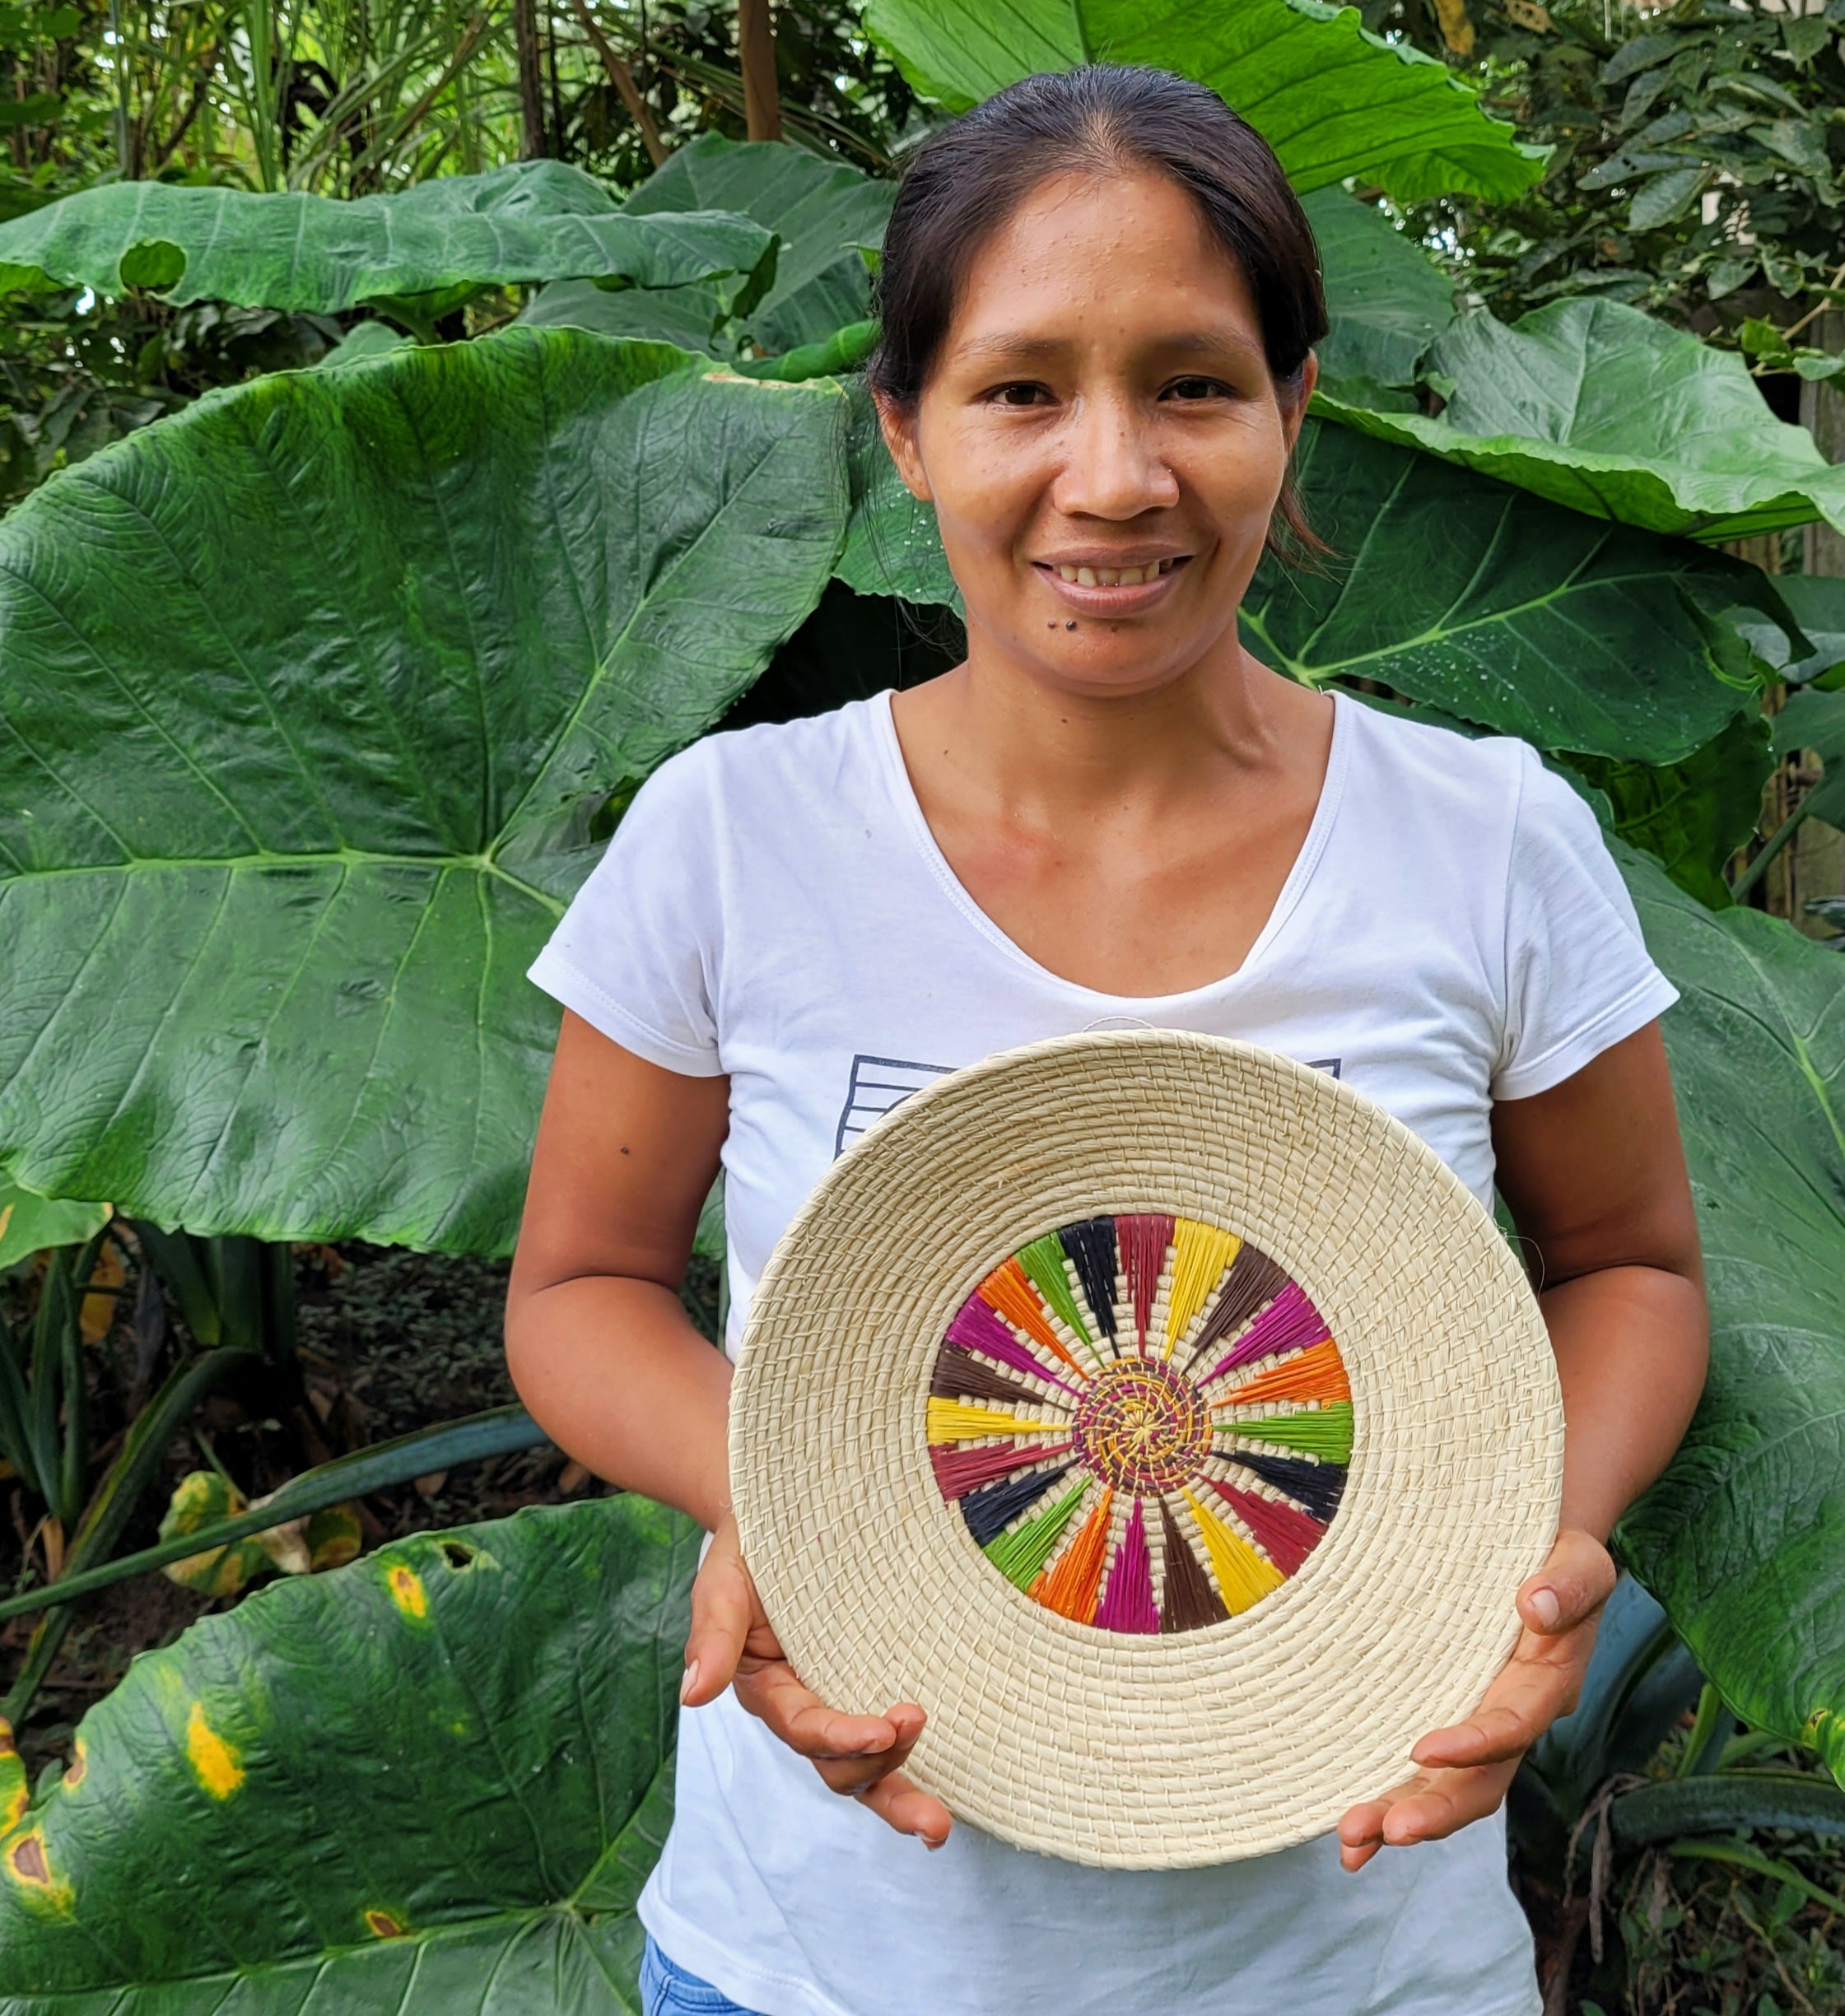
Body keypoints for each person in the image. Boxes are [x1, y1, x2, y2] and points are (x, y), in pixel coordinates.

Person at [505, 63, 1708, 2016]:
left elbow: (1632, 1263)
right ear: (901, 427)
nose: (1115, 474)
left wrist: (1518, 1545)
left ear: (1294, 407)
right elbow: (576, 1285)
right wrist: (790, 1503)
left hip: (1358, 1965)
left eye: (1193, 384)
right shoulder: (734, 837)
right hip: (813, 1961)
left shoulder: (1484, 838)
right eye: (1019, 389)